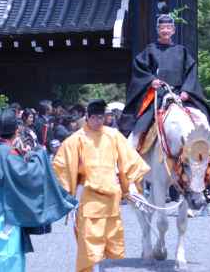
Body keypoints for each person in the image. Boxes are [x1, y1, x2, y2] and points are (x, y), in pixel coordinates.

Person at [53, 99, 151, 272]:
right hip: (89, 198)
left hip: (112, 197)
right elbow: (62, 166)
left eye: (102, 117)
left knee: (113, 244)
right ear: (88, 117)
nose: (99, 121)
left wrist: (129, 188)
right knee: (90, 248)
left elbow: (128, 161)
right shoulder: (76, 140)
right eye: (96, 118)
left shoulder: (113, 135)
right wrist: (69, 195)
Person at [0, 108, 76, 272]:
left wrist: (23, 156)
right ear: (17, 130)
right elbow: (28, 174)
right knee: (9, 260)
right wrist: (37, 155)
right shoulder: (9, 153)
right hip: (8, 215)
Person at [119, 2, 210, 139]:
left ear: (173, 30)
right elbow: (139, 68)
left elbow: (191, 72)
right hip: (157, 96)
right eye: (162, 28)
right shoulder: (150, 50)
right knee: (139, 129)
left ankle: (209, 154)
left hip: (180, 96)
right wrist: (151, 81)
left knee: (202, 118)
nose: (165, 30)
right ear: (158, 30)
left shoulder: (181, 51)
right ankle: (132, 153)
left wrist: (187, 90)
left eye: (169, 27)